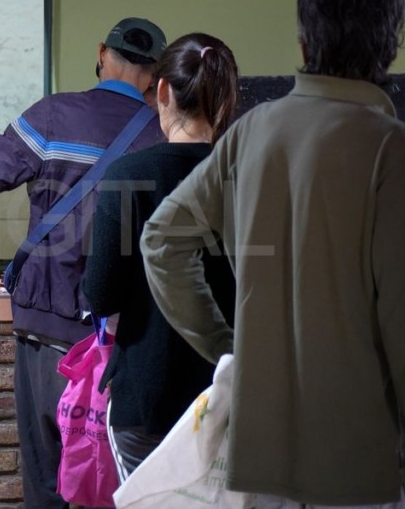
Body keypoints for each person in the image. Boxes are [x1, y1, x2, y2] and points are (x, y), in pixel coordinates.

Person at [140, 0, 405, 508]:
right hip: (358, 461)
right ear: (389, 46)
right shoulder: (393, 148)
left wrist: (230, 350)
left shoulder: (252, 131)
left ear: (302, 42)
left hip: (258, 457)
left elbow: (162, 239)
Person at [0, 17, 167, 508]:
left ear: (101, 53)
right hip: (121, 343)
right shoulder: (161, 134)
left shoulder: (52, 116)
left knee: (47, 481)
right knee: (110, 483)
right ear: (154, 75)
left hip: (46, 331)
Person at [81, 33, 239, 481]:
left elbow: (101, 293)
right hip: (234, 397)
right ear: (227, 96)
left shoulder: (129, 176)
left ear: (163, 90)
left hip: (146, 400)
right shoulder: (252, 176)